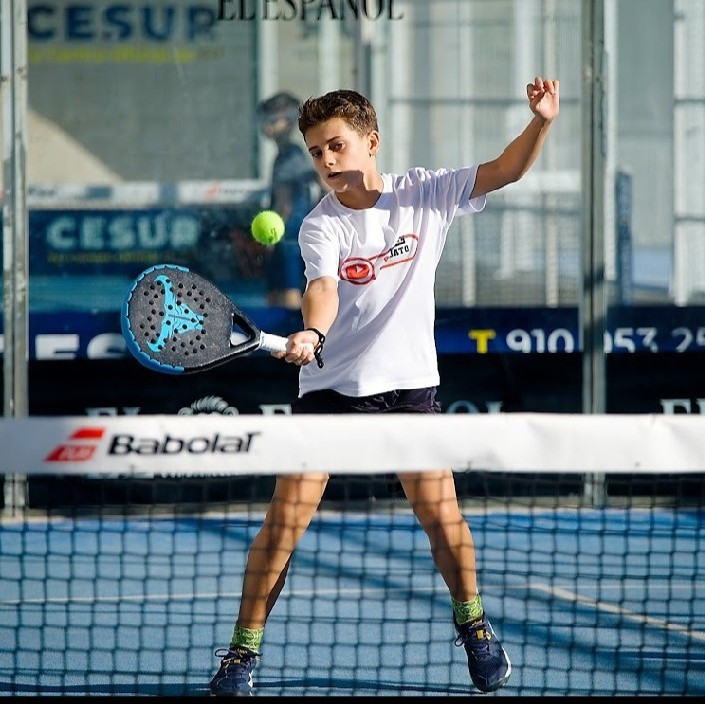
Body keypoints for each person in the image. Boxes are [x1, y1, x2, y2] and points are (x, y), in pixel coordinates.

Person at [210, 76, 559, 696]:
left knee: (442, 517)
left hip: (408, 391)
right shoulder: (320, 226)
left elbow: (505, 171)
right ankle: (242, 653)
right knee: (283, 525)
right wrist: (313, 333)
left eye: (336, 146)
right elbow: (322, 291)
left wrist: (541, 122)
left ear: (371, 142)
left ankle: (475, 627)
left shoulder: (426, 192)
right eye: (316, 152)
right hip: (328, 393)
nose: (325, 161)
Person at [256, 92, 324, 309]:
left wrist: (269, 242)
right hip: (288, 237)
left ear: (288, 121)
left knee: (288, 295)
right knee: (276, 294)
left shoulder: (291, 155)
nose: (267, 124)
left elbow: (284, 202)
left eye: (274, 118)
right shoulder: (288, 154)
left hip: (289, 239)